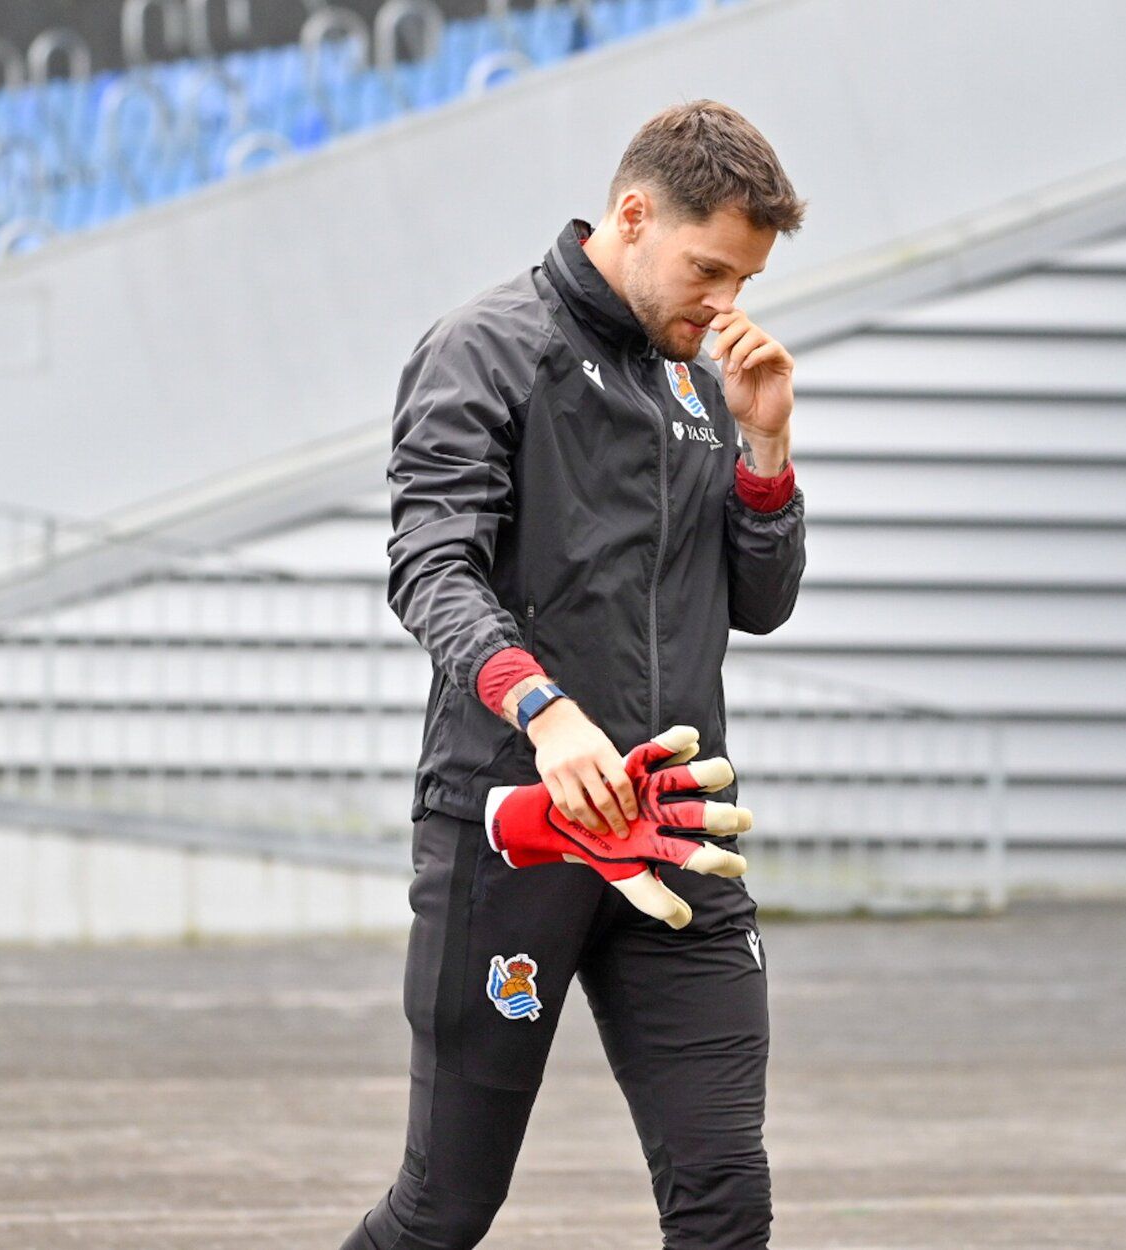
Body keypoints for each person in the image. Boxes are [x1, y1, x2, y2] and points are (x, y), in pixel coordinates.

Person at [341, 98, 807, 1250]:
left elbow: (759, 601)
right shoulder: (487, 344)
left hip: (673, 835)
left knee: (726, 1201)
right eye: (709, 269)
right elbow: (430, 565)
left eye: (744, 280)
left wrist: (765, 454)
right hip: (517, 830)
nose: (726, 303)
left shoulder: (703, 383)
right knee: (446, 1206)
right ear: (634, 214)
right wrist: (544, 712)